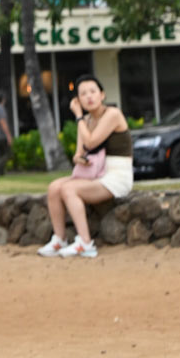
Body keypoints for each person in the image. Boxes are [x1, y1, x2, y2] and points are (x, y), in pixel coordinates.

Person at [38, 75, 132, 260]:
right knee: (54, 187)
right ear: (78, 99)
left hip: (117, 176)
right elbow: (79, 152)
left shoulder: (112, 114)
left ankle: (86, 243)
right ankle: (60, 239)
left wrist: (78, 115)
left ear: (102, 94)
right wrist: (80, 158)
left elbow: (90, 141)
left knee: (68, 189)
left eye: (93, 92)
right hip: (97, 173)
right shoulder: (86, 120)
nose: (89, 97)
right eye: (83, 94)